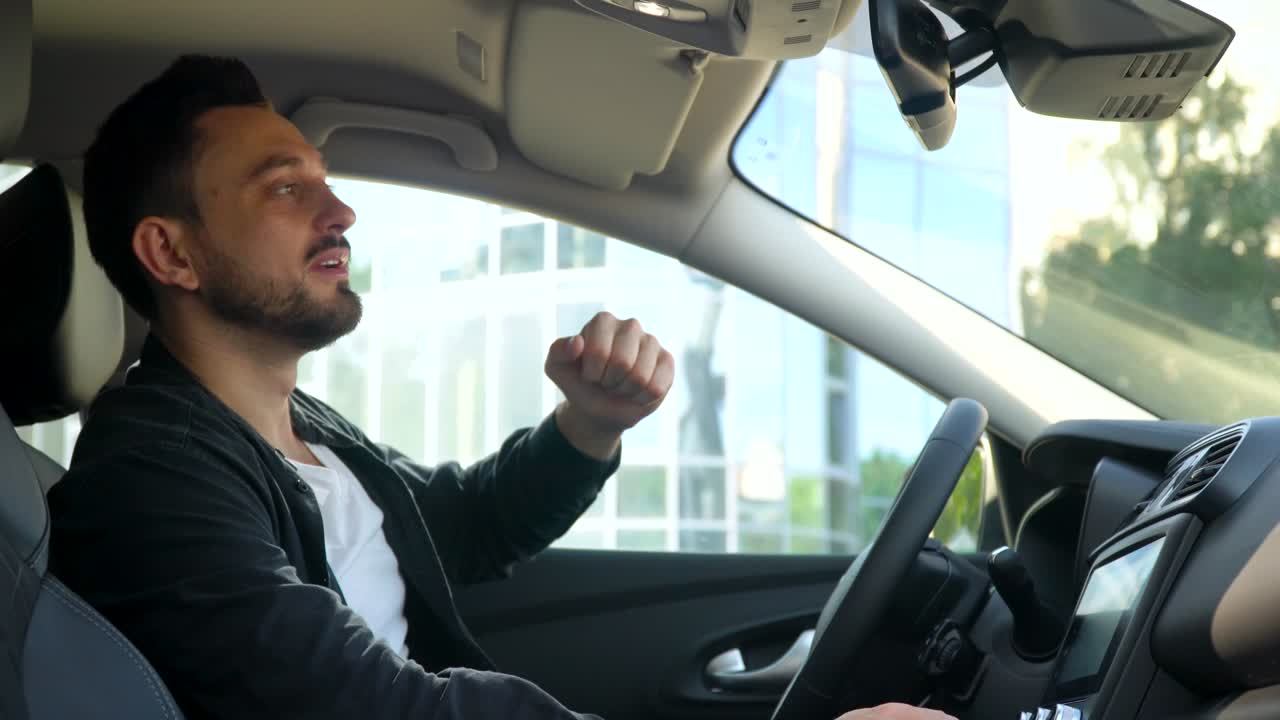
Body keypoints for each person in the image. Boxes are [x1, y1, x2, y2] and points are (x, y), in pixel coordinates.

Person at [47, 55, 955, 720]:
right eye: (286, 189)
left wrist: (588, 425)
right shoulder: (149, 478)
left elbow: (465, 526)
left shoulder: (302, 430)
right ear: (171, 253)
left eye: (325, 181)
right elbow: (364, 706)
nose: (341, 211)